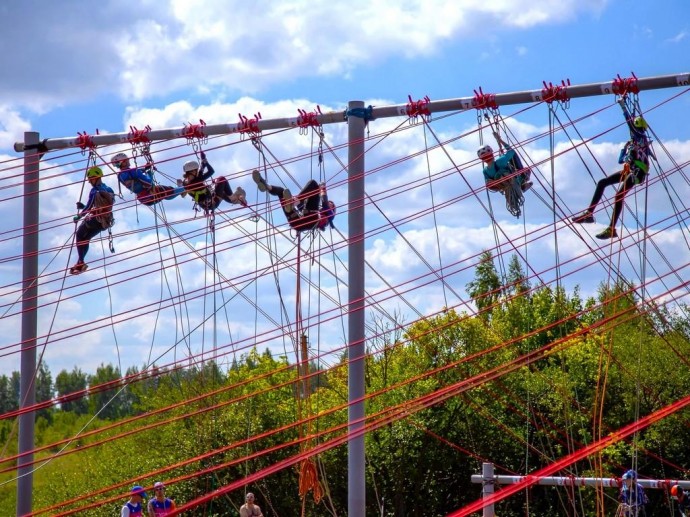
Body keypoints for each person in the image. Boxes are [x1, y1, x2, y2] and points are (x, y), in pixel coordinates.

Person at [571, 99, 652, 239]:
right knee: (602, 182)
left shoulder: (640, 137)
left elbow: (630, 124)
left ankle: (611, 229)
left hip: (637, 173)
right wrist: (624, 149)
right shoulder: (634, 143)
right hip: (630, 170)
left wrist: (623, 106)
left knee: (618, 196)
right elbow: (621, 160)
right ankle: (589, 214)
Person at [252, 170, 336, 232]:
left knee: (314, 184)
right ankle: (267, 186)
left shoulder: (330, 215)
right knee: (281, 191)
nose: (329, 203)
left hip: (311, 219)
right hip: (295, 222)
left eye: (331, 204)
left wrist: (322, 188)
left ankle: (293, 202)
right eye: (330, 202)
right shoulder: (315, 208)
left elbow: (325, 203)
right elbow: (300, 206)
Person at [69, 166, 115, 275]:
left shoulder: (95, 191)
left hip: (96, 219)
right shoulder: (109, 189)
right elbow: (106, 206)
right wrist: (83, 206)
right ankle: (80, 262)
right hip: (105, 222)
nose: (90, 182)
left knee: (80, 235)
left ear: (97, 177)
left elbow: (90, 207)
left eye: (91, 179)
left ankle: (81, 262)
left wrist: (79, 216)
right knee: (86, 238)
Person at [179, 151, 246, 214]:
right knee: (221, 179)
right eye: (196, 170)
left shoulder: (186, 182)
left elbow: (201, 171)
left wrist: (203, 160)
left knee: (222, 192)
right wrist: (205, 162)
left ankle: (239, 201)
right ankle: (234, 198)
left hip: (209, 203)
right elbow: (211, 171)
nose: (197, 172)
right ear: (193, 171)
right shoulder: (197, 181)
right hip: (212, 202)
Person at [111, 152, 187, 205]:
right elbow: (149, 183)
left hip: (143, 199)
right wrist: (149, 173)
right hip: (150, 195)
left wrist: (144, 169)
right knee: (168, 190)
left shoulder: (120, 176)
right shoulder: (134, 172)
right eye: (127, 160)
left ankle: (181, 190)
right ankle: (185, 187)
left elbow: (133, 177)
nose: (128, 160)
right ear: (123, 163)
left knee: (166, 194)